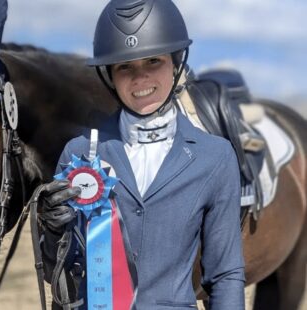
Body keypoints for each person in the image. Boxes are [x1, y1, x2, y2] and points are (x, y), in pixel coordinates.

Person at [35, 0, 245, 309]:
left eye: (153, 62)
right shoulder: (78, 154)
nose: (140, 78)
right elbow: (57, 272)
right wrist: (54, 233)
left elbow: (225, 275)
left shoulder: (215, 158)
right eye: (125, 67)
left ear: (175, 63)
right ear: (110, 76)